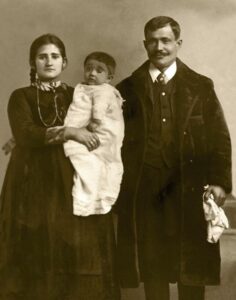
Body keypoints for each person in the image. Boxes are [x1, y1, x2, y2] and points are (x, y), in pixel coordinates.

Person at [116, 16, 232, 300]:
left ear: (178, 44)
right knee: (153, 264)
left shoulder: (200, 86)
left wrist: (219, 181)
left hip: (190, 187)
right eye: (153, 41)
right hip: (146, 188)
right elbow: (114, 141)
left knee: (190, 266)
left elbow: (219, 136)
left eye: (166, 40)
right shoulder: (126, 89)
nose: (160, 47)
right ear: (145, 45)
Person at [0, 34, 120, 300]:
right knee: (37, 247)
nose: (49, 61)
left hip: (71, 176)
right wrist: (70, 132)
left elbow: (100, 124)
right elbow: (26, 134)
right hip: (32, 180)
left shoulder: (77, 93)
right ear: (33, 62)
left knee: (76, 246)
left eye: (55, 56)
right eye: (42, 56)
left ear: (64, 62)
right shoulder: (20, 96)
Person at [63, 52, 124, 217]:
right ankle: (91, 199)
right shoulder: (84, 88)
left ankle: (91, 200)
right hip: (83, 132)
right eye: (89, 69)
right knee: (90, 166)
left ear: (109, 77)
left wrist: (94, 123)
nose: (92, 73)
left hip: (100, 133)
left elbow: (100, 108)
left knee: (98, 164)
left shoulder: (103, 91)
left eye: (99, 70)